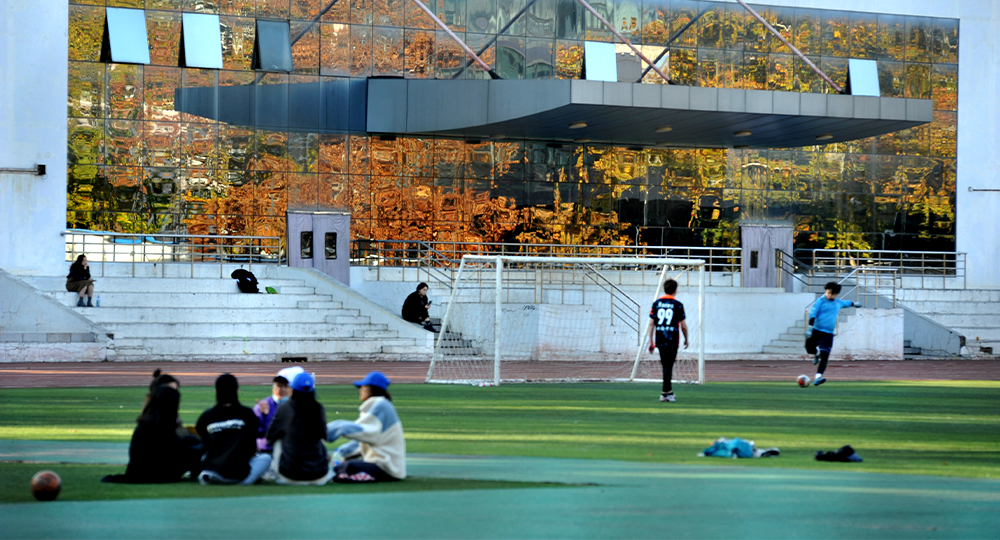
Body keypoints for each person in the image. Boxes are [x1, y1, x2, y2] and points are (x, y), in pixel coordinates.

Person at [102, 385, 203, 483]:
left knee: (190, 440)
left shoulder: (147, 421)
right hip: (159, 474)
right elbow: (170, 451)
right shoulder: (163, 423)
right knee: (196, 445)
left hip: (140, 471)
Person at [326, 371, 406, 483]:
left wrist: (326, 431)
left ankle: (357, 476)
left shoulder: (381, 406)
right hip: (386, 466)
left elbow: (362, 431)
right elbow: (362, 440)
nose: (360, 390)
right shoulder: (380, 405)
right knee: (342, 467)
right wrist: (343, 451)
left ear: (371, 389)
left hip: (386, 467)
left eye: (363, 387)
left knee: (347, 468)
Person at [195, 374, 272, 485]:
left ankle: (209, 476)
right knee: (266, 458)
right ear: (237, 390)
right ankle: (243, 482)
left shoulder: (206, 417)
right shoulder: (248, 414)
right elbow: (251, 446)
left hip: (212, 469)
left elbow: (204, 443)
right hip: (239, 472)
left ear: (216, 391)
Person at [265, 372, 333, 485]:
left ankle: (273, 470)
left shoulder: (285, 408)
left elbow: (270, 437)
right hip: (319, 476)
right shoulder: (318, 408)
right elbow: (324, 435)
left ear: (292, 389)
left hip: (290, 476)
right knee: (319, 438)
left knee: (278, 437)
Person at [806, 282, 860, 386]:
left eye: (832, 294)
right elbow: (813, 313)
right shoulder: (820, 301)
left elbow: (846, 303)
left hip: (828, 334)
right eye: (828, 293)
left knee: (825, 356)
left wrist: (855, 304)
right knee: (809, 348)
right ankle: (816, 354)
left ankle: (818, 377)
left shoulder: (837, 302)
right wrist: (810, 328)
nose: (830, 295)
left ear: (836, 294)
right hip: (816, 330)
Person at [646, 279, 689, 403]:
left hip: (660, 338)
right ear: (675, 290)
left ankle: (667, 392)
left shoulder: (656, 303)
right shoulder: (678, 305)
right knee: (668, 366)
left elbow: (651, 324)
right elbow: (684, 326)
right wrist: (686, 339)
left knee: (666, 365)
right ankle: (665, 394)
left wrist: (651, 341)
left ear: (664, 289)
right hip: (672, 339)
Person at [252, 366, 304, 453]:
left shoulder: (300, 407)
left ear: (293, 389)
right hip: (266, 451)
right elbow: (252, 434)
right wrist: (265, 417)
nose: (279, 389)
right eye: (277, 384)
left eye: (284, 386)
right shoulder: (262, 406)